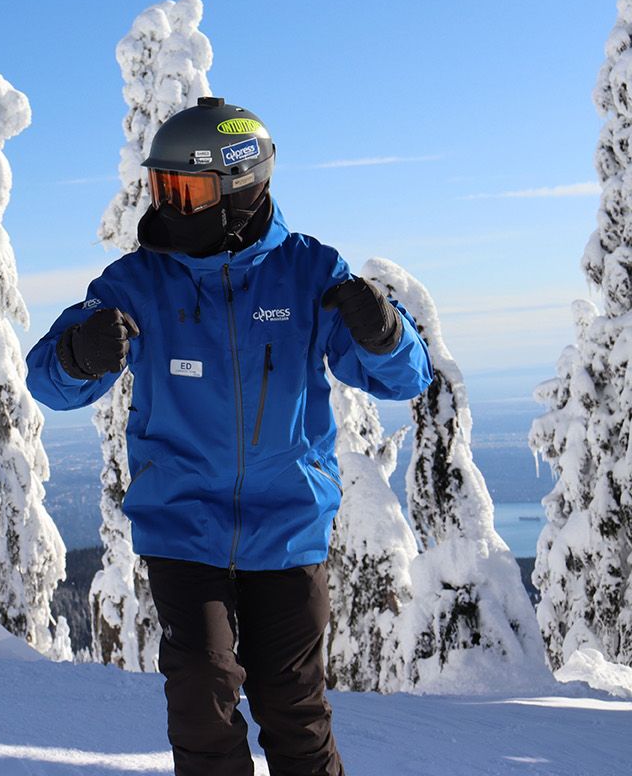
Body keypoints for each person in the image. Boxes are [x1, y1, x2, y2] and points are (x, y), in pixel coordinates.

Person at [25, 97, 432, 776]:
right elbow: (47, 380)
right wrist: (78, 354)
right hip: (184, 524)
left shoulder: (308, 271)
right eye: (162, 188)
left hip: (289, 526)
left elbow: (402, 378)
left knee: (292, 706)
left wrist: (384, 331)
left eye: (185, 190)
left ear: (242, 186)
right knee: (202, 692)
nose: (168, 206)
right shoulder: (139, 280)